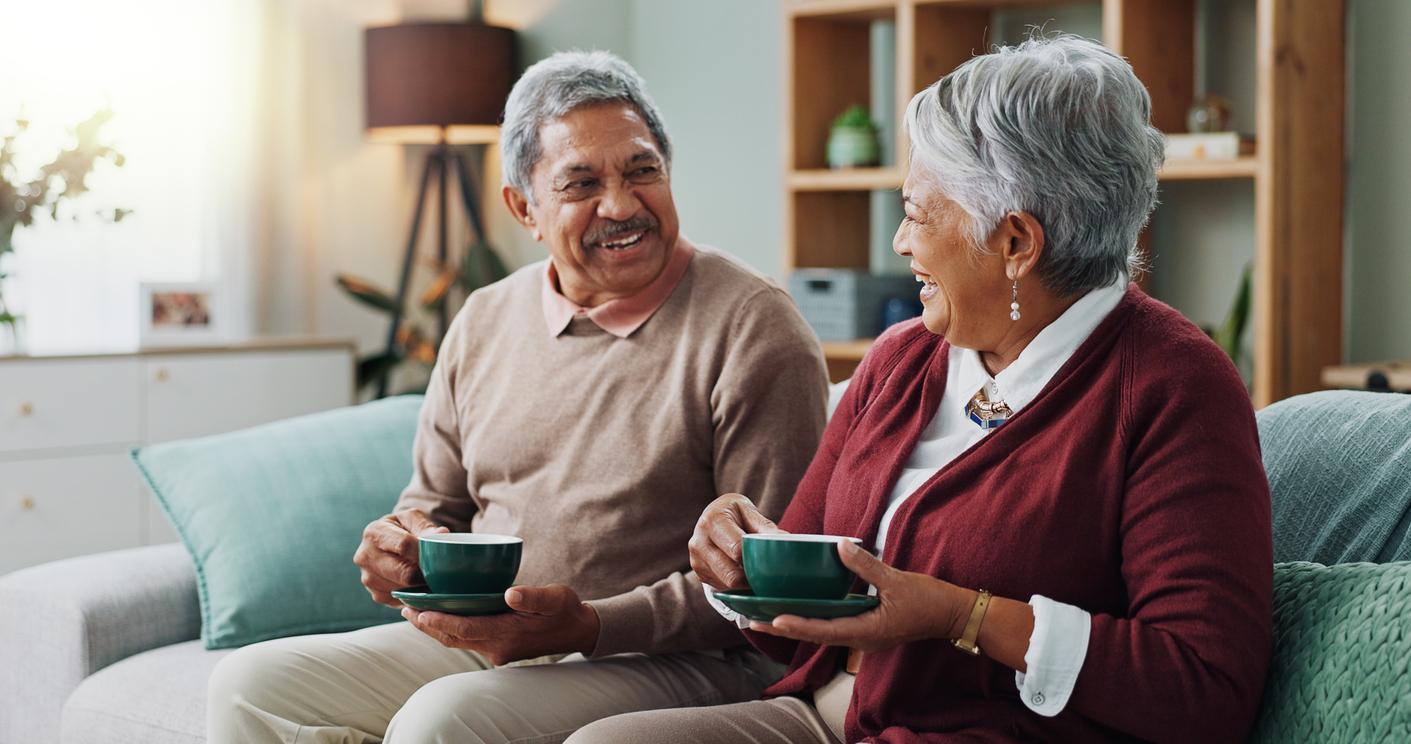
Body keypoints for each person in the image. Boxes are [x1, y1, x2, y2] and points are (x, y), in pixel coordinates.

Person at [567, 35, 1273, 744]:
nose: (901, 241)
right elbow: (789, 631)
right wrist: (742, 550)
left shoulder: (1173, 386)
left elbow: (1203, 687)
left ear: (1016, 243)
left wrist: (960, 615)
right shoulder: (902, 359)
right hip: (819, 715)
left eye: (916, 211)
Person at [206, 50, 830, 743]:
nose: (621, 205)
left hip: (682, 658)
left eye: (641, 170)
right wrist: (401, 546)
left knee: (444, 721)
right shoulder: (483, 319)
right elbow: (433, 507)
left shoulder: (753, 325)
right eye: (581, 183)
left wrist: (589, 625)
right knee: (250, 687)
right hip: (496, 636)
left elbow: (770, 588)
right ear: (523, 208)